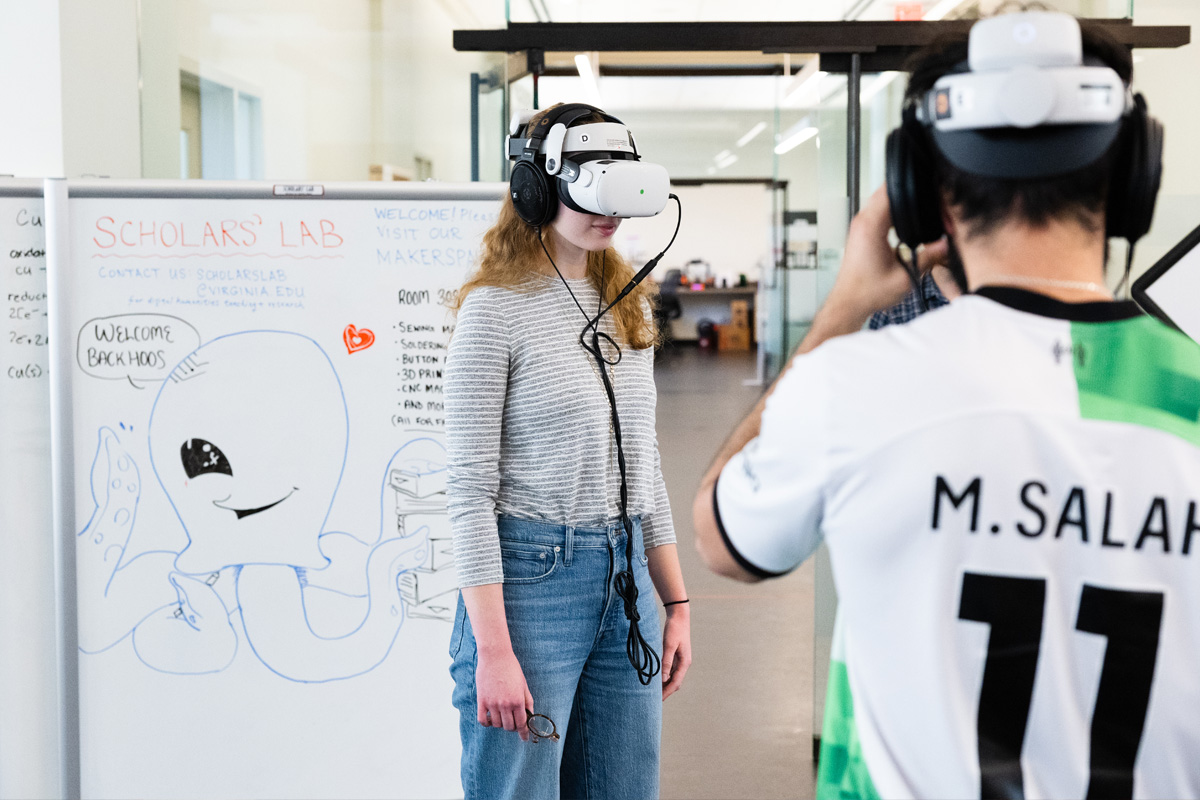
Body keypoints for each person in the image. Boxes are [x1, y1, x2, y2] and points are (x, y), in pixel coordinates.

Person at [693, 11, 1200, 798]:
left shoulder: (852, 387)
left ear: (920, 197)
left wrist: (841, 313)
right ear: (1135, 176)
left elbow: (721, 538)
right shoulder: (1188, 401)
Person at [445, 103, 692, 800]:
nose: (608, 206)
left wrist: (675, 601)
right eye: (589, 180)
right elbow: (467, 490)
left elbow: (642, 464)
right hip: (529, 585)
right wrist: (493, 650)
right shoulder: (495, 310)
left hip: (627, 582)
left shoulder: (624, 298)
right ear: (534, 186)